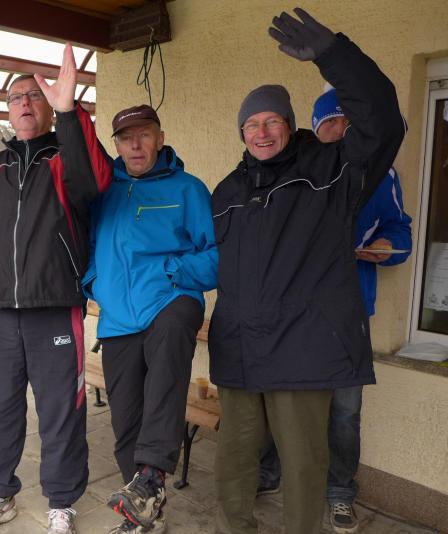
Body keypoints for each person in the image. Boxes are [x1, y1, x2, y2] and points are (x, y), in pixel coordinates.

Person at [208, 8, 405, 534]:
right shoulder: (227, 191)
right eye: (251, 124)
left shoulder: (331, 170)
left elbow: (384, 122)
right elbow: (213, 262)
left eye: (272, 120)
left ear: (290, 124)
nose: (262, 131)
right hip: (240, 347)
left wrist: (334, 56)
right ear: (241, 132)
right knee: (234, 461)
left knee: (302, 466)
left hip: (303, 346)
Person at [0, 43, 111, 534]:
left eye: (34, 95)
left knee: (61, 411)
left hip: (55, 307)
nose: (24, 103)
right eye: (15, 97)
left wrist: (71, 113)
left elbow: (97, 183)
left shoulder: (66, 158)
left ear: (47, 106)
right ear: (7, 110)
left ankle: (61, 502)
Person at [257, 87, 412, 534]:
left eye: (349, 123)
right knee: (280, 396)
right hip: (292, 311)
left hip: (348, 312)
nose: (341, 131)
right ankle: (269, 471)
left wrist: (387, 246)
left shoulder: (380, 174)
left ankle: (340, 491)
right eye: (331, 123)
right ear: (315, 129)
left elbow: (401, 232)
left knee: (345, 409)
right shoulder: (294, 170)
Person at [81, 105, 218, 534]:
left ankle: (154, 472)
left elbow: (218, 255)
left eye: (144, 135)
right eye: (126, 138)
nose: (135, 145)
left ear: (160, 138)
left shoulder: (188, 190)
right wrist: (95, 284)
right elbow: (88, 247)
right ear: (117, 145)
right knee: (126, 420)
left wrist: (173, 270)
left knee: (168, 360)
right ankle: (143, 509)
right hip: (119, 317)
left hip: (170, 300)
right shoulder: (105, 193)